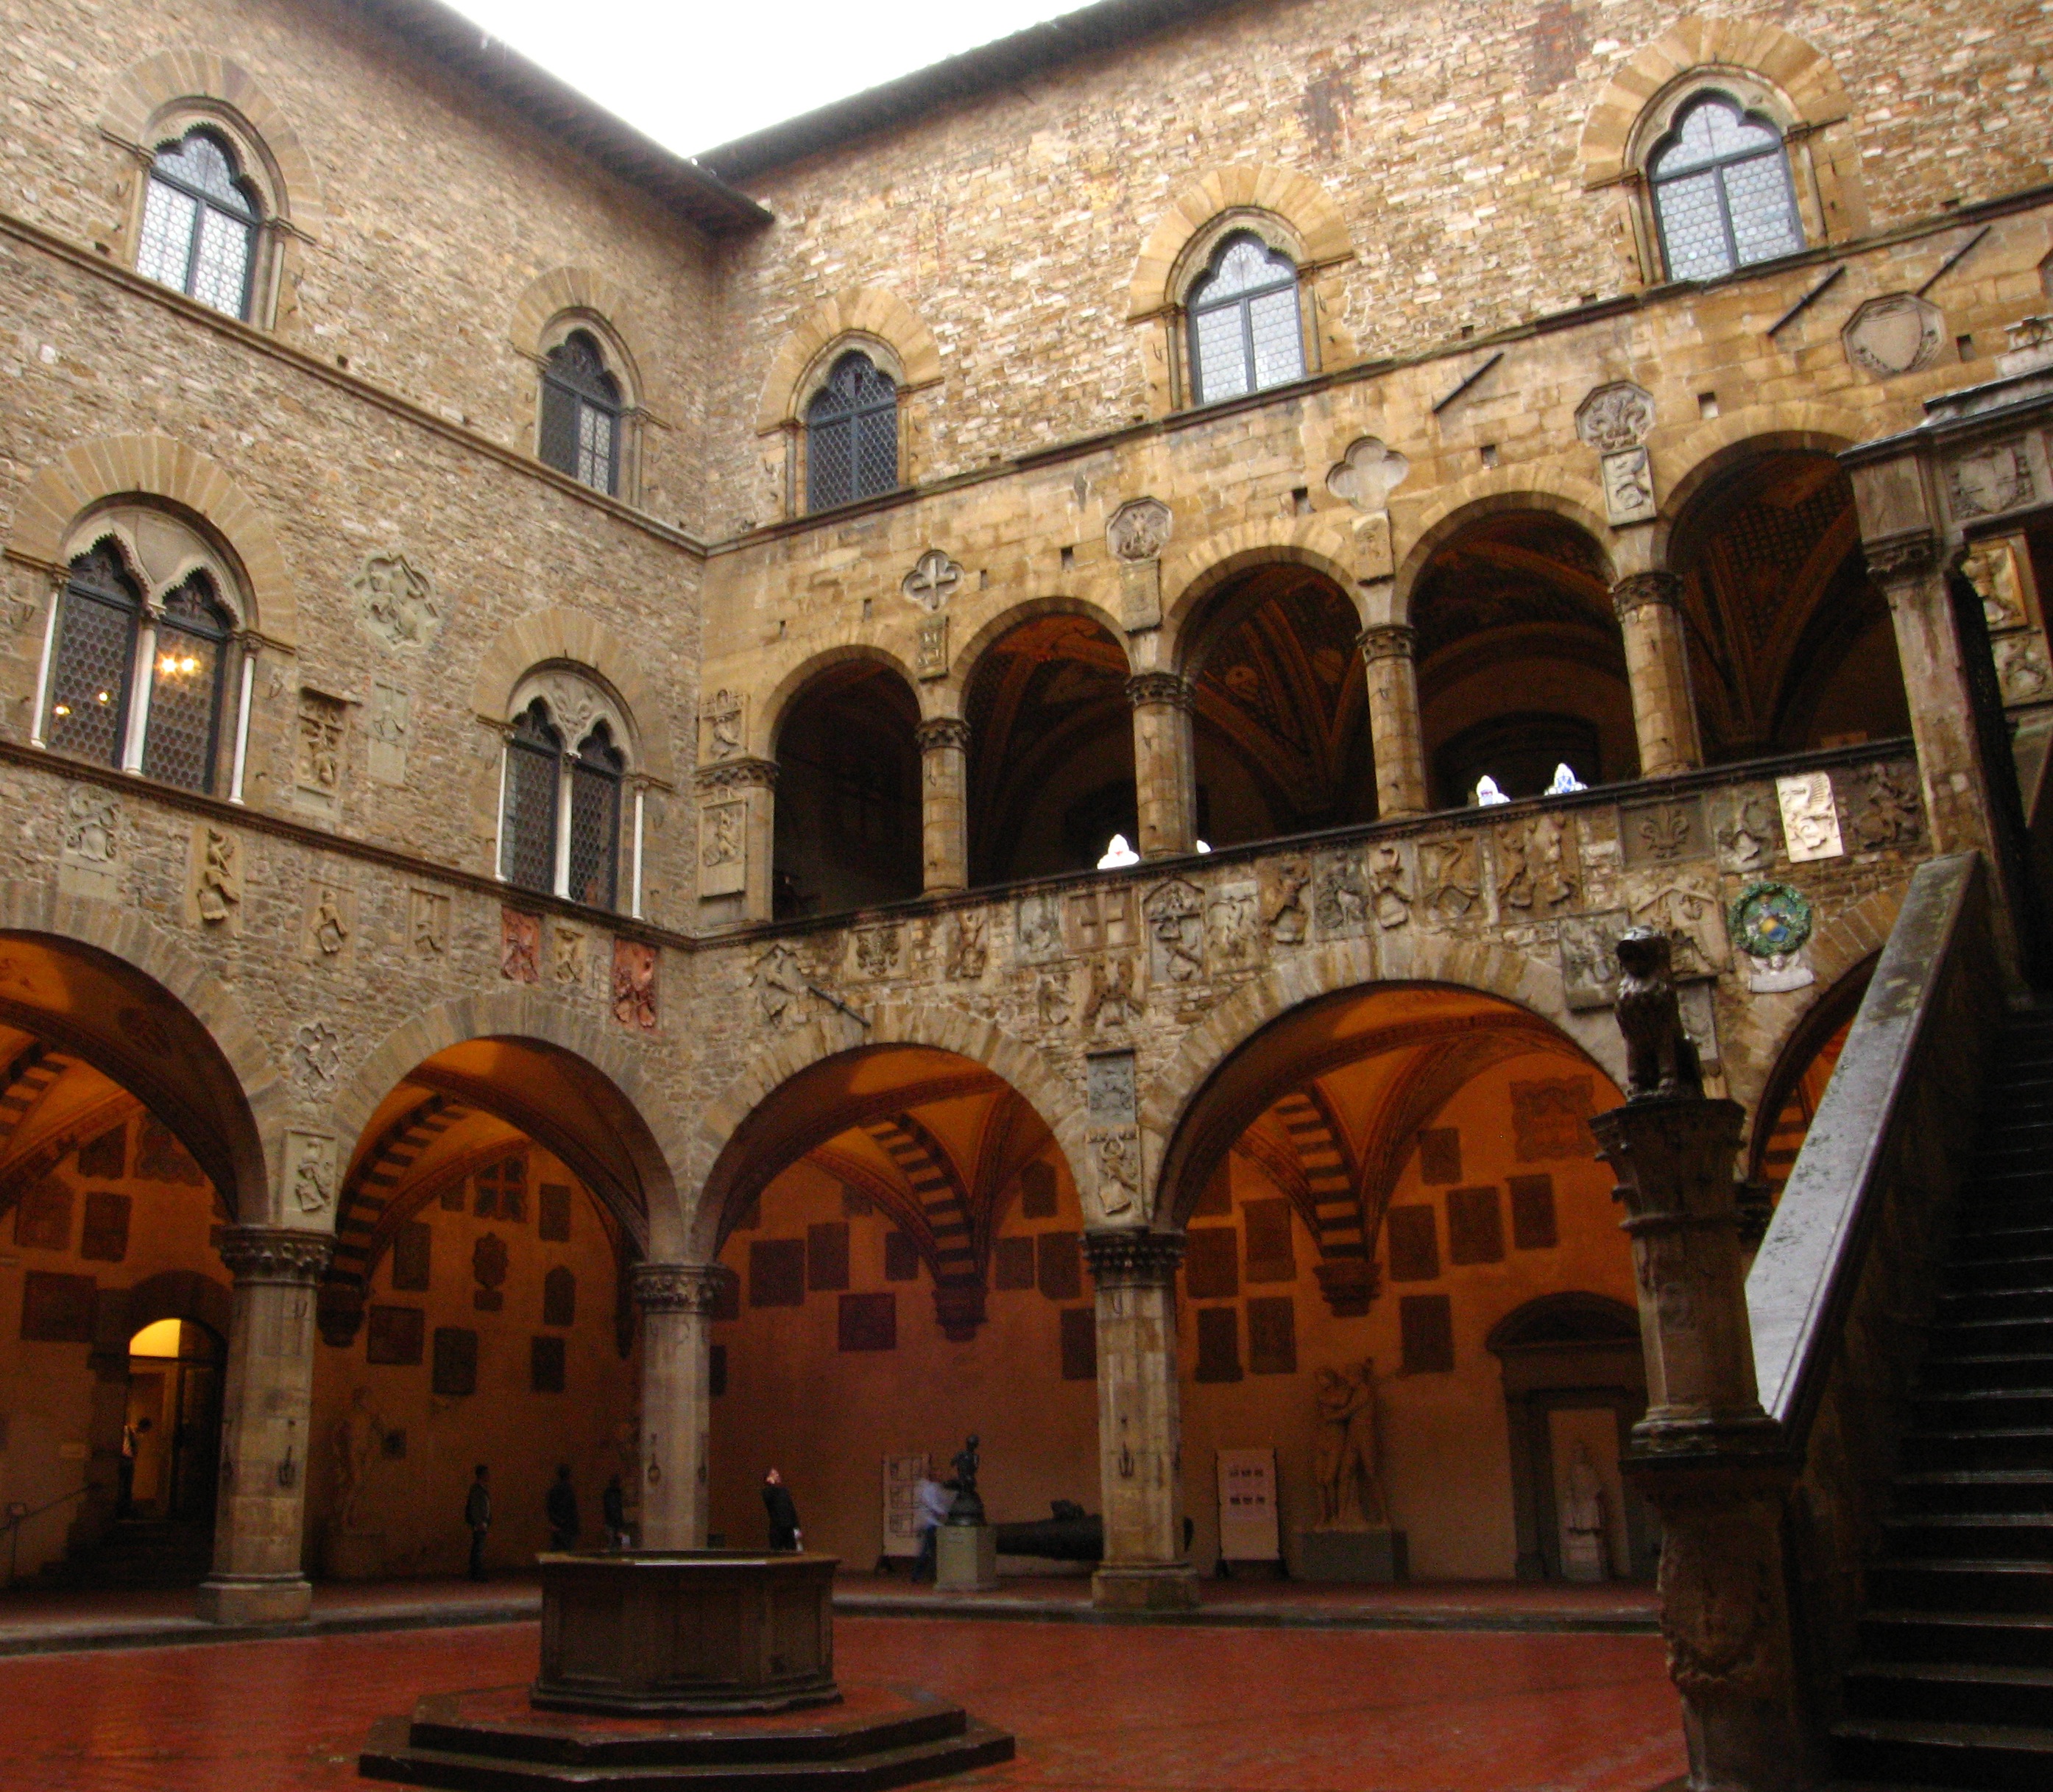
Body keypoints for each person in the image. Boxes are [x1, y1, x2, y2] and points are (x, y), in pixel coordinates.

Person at [912, 1470, 951, 1581]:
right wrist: (943, 1512)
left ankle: (921, 1574)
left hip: (929, 1523)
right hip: (932, 1523)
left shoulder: (927, 1487)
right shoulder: (931, 1489)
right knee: (929, 1550)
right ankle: (919, 1574)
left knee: (929, 1550)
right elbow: (934, 1505)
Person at [762, 1467, 802, 1551]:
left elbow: (791, 1509)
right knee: (776, 1551)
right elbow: (769, 1499)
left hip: (789, 1527)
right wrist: (771, 1484)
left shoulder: (784, 1491)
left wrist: (796, 1527)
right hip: (777, 1527)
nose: (777, 1475)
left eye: (777, 1473)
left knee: (792, 1551)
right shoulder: (767, 1491)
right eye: (774, 1474)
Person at [464, 1464, 491, 1581]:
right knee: (478, 1548)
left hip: (481, 1522)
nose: (489, 1476)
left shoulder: (480, 1489)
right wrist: (479, 1522)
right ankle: (477, 1573)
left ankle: (474, 1572)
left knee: (477, 1547)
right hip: (480, 1523)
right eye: (487, 1473)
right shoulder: (477, 1490)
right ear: (482, 1475)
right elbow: (476, 1507)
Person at [546, 1464, 579, 1551]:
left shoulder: (554, 1490)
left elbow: (550, 1508)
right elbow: (570, 1509)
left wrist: (555, 1522)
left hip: (558, 1525)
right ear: (569, 1475)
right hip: (568, 1527)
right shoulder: (569, 1490)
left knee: (556, 1551)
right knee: (567, 1551)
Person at [602, 1473, 629, 1551]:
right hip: (615, 1522)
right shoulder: (617, 1493)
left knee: (613, 1542)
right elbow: (615, 1508)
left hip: (611, 1522)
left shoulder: (609, 1493)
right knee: (621, 1542)